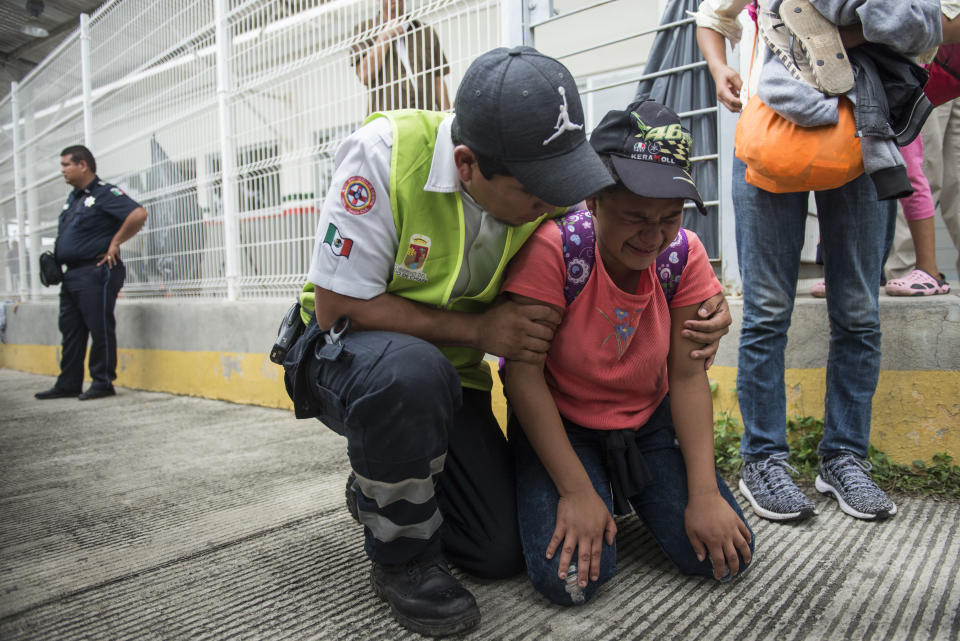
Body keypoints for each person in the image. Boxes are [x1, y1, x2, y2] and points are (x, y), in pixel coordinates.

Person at [282, 47, 733, 637]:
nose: (555, 204)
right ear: (467, 165)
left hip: (451, 377)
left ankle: (384, 482)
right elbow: (341, 307)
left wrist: (705, 305)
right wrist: (478, 330)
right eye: (537, 191)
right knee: (411, 375)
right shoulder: (384, 157)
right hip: (348, 353)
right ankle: (402, 561)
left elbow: (617, 236)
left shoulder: (542, 186)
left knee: (496, 551)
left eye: (566, 182)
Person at [500, 99, 754, 606]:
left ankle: (624, 486)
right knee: (571, 580)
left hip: (646, 425)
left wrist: (703, 493)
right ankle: (587, 486)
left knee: (726, 557)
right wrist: (574, 490)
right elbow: (521, 376)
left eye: (670, 216)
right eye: (635, 216)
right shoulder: (557, 250)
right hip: (563, 424)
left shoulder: (682, 255)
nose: (654, 236)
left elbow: (685, 378)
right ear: (593, 199)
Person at [695, 0, 940, 522]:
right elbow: (712, 16)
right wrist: (720, 70)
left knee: (857, 310)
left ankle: (844, 457)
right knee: (765, 308)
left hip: (860, 129)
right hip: (767, 133)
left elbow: (938, 23)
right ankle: (762, 459)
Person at [35, 145, 148, 401]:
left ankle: (103, 381)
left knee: (99, 327)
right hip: (72, 274)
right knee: (71, 330)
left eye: (66, 165)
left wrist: (116, 242)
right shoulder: (74, 198)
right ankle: (68, 383)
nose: (62, 170)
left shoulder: (104, 193)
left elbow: (138, 213)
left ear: (82, 165)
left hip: (96, 271)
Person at [352, 0, 450, 113]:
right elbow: (365, 75)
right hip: (387, 124)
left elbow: (437, 79)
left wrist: (446, 118)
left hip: (424, 119)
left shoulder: (425, 31)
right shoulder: (364, 31)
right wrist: (385, 37)